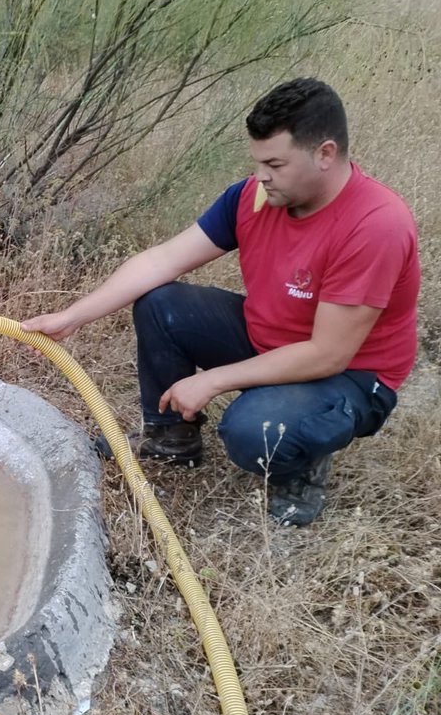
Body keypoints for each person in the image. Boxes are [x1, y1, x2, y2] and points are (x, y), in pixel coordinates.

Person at [21, 78, 420, 526]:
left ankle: (301, 464)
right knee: (161, 303)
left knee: (252, 430)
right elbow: (164, 259)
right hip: (270, 338)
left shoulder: (374, 226)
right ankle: (171, 438)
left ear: (325, 154)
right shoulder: (253, 197)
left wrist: (213, 382)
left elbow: (329, 353)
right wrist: (74, 316)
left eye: (275, 163)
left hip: (348, 375)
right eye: (258, 162)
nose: (262, 176)